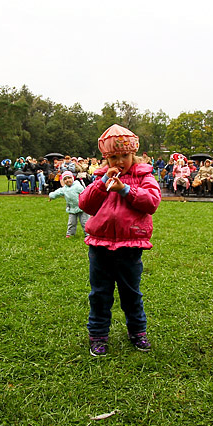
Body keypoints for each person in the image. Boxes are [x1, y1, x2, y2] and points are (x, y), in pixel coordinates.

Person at [78, 124, 161, 357]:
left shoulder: (144, 175)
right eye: (114, 157)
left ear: (133, 153)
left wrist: (125, 190)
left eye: (125, 156)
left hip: (130, 245)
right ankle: (98, 336)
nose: (120, 161)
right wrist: (103, 184)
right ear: (106, 158)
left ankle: (137, 332)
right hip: (100, 244)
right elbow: (85, 204)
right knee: (99, 293)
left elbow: (151, 203)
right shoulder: (99, 178)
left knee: (131, 293)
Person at [49, 171, 89, 237]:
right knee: (71, 223)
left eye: (69, 178)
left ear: (73, 178)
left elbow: (85, 194)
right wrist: (51, 196)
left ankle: (88, 234)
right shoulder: (64, 189)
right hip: (72, 208)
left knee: (85, 222)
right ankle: (70, 234)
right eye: (65, 179)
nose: (67, 180)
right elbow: (57, 193)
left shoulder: (78, 186)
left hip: (82, 207)